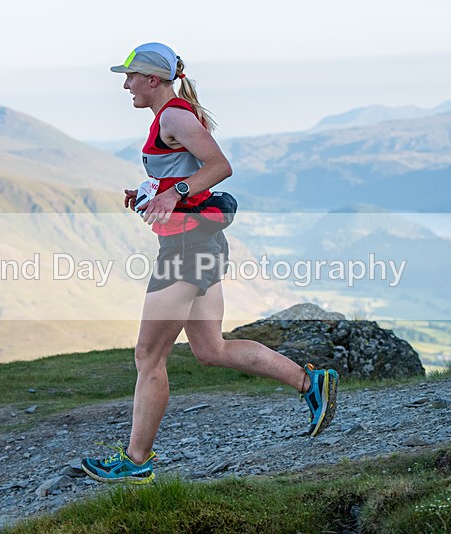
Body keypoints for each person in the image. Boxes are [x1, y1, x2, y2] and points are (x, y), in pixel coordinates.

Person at [81, 42, 339, 484]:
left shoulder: (175, 117)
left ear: (153, 79)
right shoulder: (170, 118)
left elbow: (219, 166)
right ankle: (309, 383)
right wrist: (149, 192)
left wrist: (172, 195)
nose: (125, 86)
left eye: (131, 77)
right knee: (210, 349)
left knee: (148, 355)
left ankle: (136, 461)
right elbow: (182, 172)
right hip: (200, 242)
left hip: (186, 250)